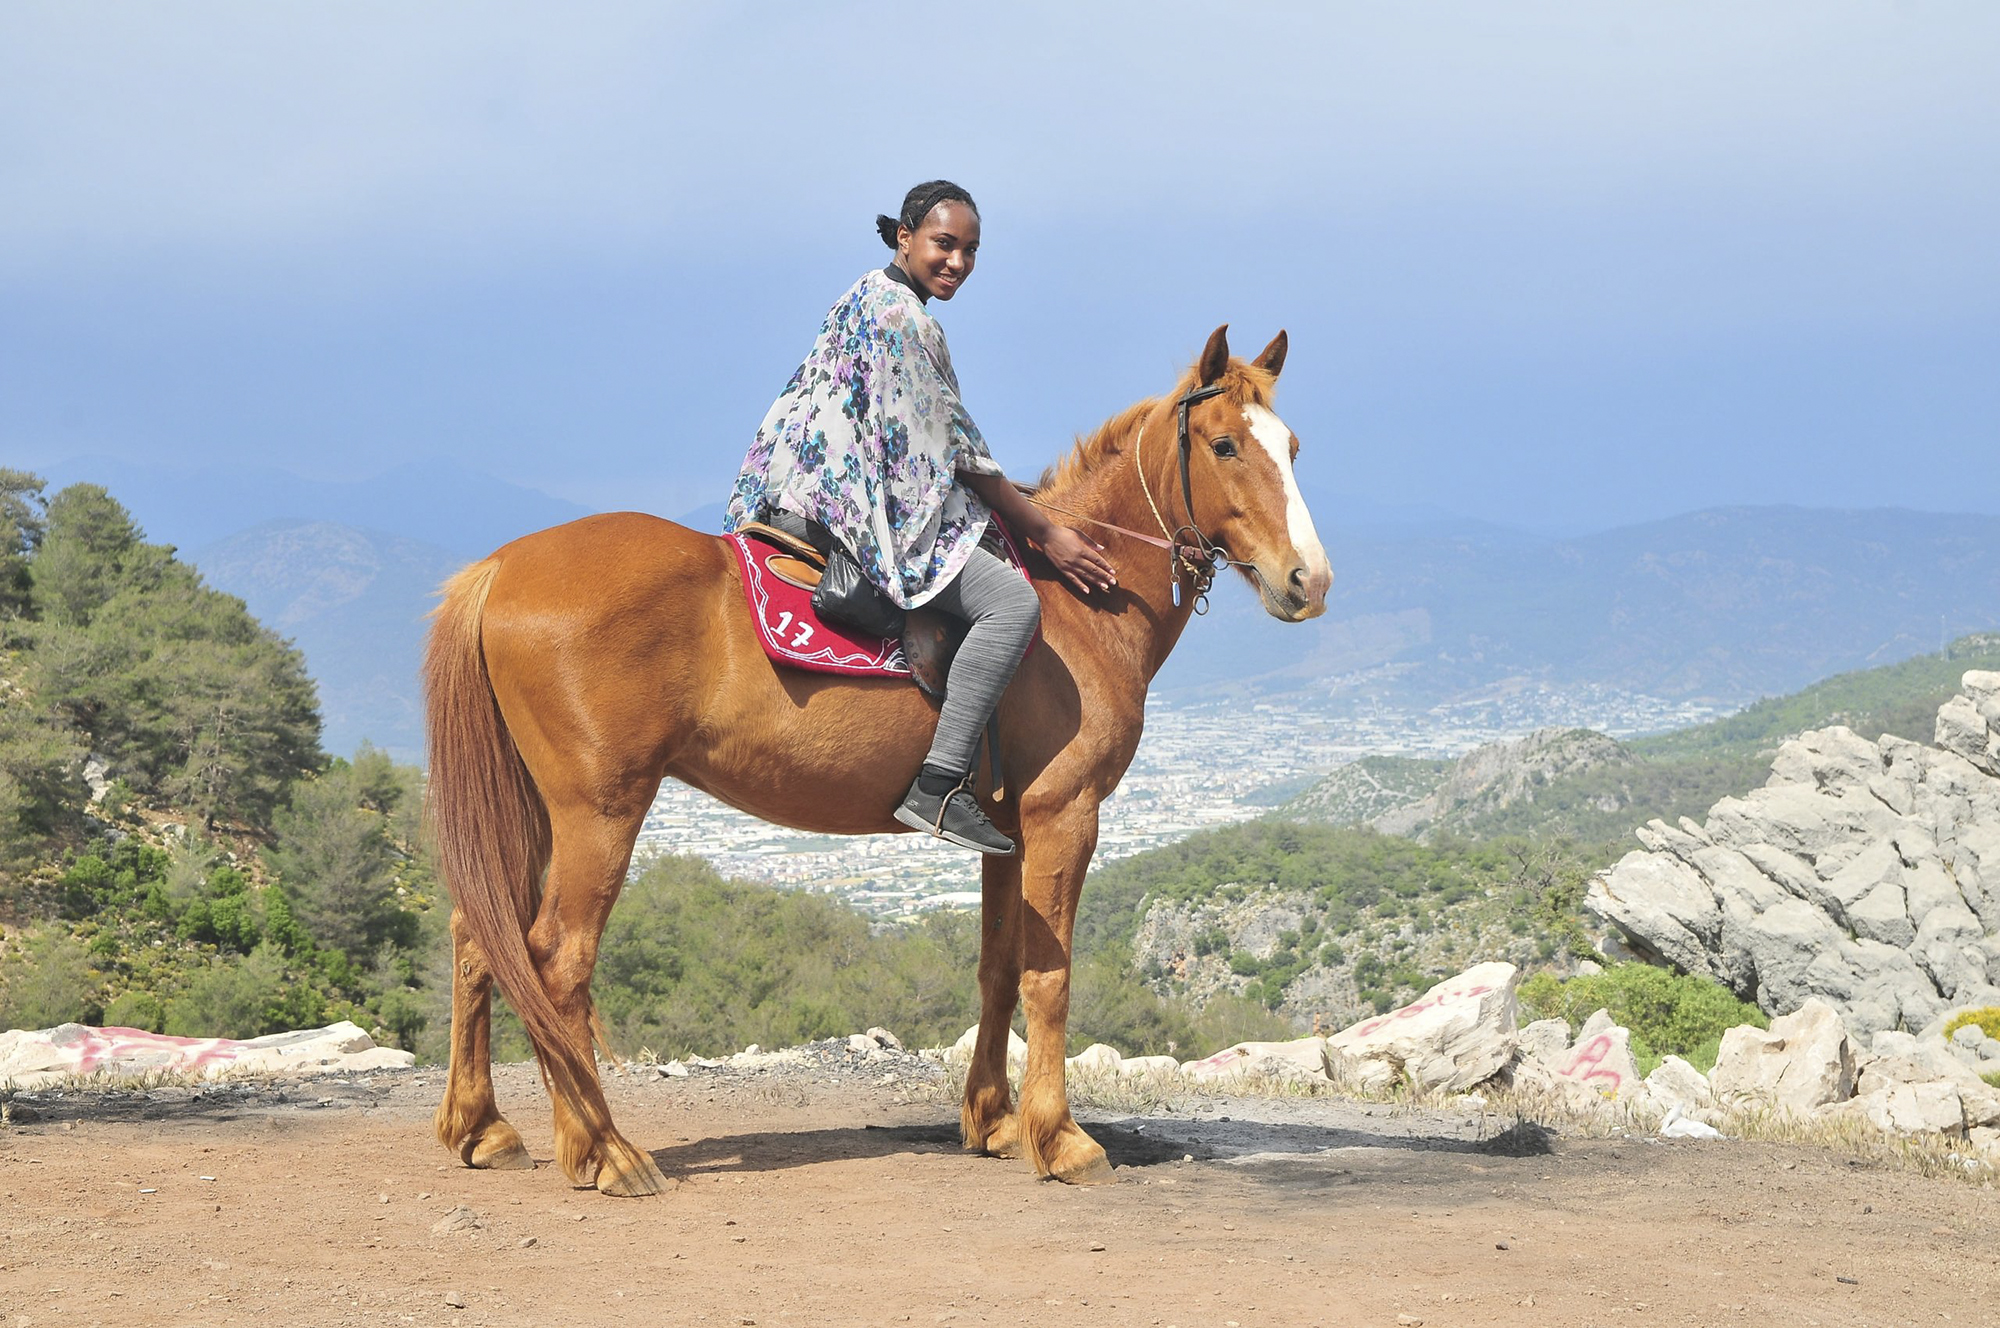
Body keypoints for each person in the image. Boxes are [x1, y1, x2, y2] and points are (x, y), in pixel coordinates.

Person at [724, 180, 1117, 855]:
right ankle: (937, 786)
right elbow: (952, 447)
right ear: (904, 235)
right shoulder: (908, 320)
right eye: (943, 243)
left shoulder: (859, 295)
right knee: (1012, 606)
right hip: (858, 508)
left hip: (805, 492)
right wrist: (1046, 528)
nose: (957, 262)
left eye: (969, 250)